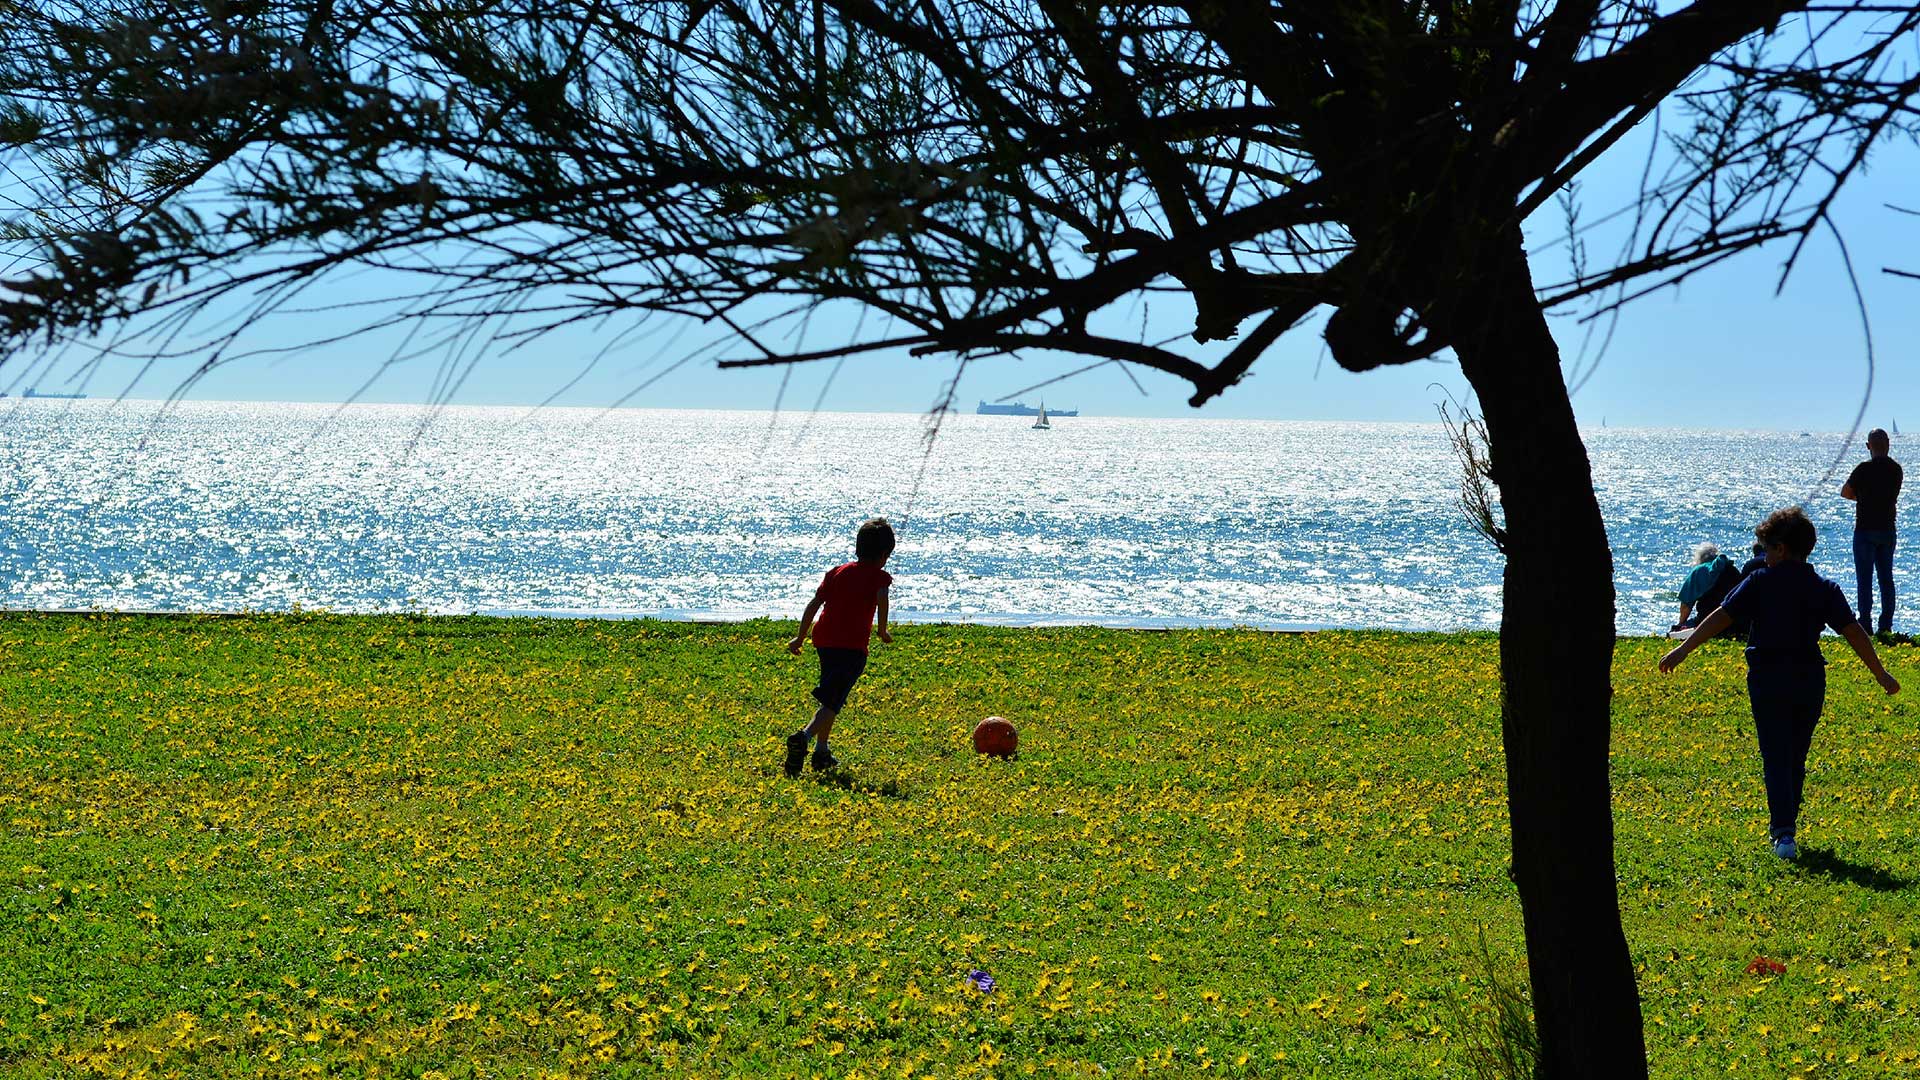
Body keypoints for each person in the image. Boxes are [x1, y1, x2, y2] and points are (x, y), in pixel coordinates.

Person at [1659, 507, 1899, 860]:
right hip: (1809, 678)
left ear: (1782, 549)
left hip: (1768, 677)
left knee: (1775, 754)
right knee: (1795, 755)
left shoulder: (1758, 582)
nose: (1764, 555)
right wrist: (1881, 674)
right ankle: (1787, 827)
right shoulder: (1824, 588)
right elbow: (1854, 633)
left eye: (1768, 548)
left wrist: (1684, 648)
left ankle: (1783, 832)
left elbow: (1720, 619)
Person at [783, 518, 895, 776]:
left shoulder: (836, 572)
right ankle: (805, 737)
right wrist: (882, 631)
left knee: (830, 696)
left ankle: (822, 751)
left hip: (824, 640)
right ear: (885, 554)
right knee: (833, 701)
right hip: (852, 647)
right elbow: (882, 600)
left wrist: (799, 637)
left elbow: (814, 604)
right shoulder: (879, 578)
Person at [1841, 428, 1902, 634]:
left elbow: (1845, 492)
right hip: (1887, 529)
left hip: (1865, 529)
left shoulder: (1863, 469)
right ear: (1888, 444)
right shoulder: (1896, 470)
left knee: (1864, 579)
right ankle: (1886, 625)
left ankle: (1865, 624)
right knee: (1886, 579)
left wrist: (1864, 498)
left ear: (1868, 446)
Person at [1671, 542, 1741, 634]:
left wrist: (1680, 624)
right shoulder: (1732, 569)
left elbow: (1686, 605)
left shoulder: (1699, 571)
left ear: (1699, 558)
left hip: (1708, 621)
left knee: (1677, 630)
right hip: (1734, 623)